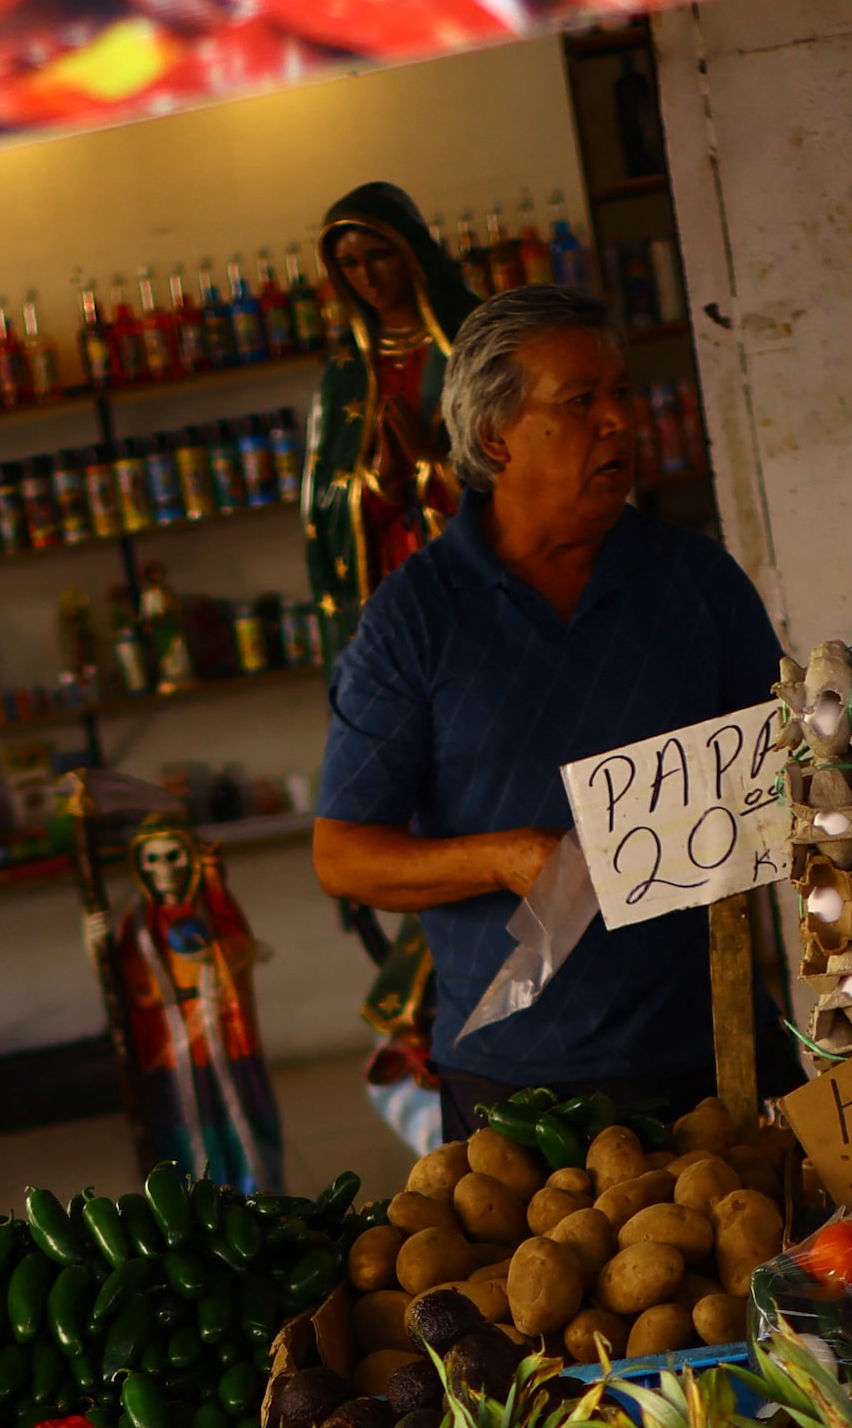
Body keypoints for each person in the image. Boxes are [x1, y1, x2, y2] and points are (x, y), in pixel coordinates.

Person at [313, 284, 786, 1131]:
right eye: (580, 402)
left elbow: (790, 771)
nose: (619, 422)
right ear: (496, 437)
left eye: (622, 394)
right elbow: (344, 857)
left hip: (716, 1062)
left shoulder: (696, 580)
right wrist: (504, 858)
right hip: (515, 1090)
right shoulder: (415, 616)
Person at [302, 182, 477, 659]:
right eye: (350, 265)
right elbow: (323, 505)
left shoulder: (474, 340)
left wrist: (431, 465)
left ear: (411, 251)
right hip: (396, 579)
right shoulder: (347, 371)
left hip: (476, 577)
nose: (368, 277)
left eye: (379, 255)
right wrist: (380, 481)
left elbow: (517, 461)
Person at [93, 810, 285, 1190]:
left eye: (173, 856)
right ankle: (192, 1201)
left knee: (240, 1120)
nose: (164, 869)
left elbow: (243, 948)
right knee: (180, 1130)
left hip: (223, 1038)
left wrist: (215, 954)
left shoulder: (214, 907)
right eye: (153, 859)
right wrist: (94, 944)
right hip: (172, 1046)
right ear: (139, 866)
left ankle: (256, 1193)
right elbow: (126, 984)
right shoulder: (137, 923)